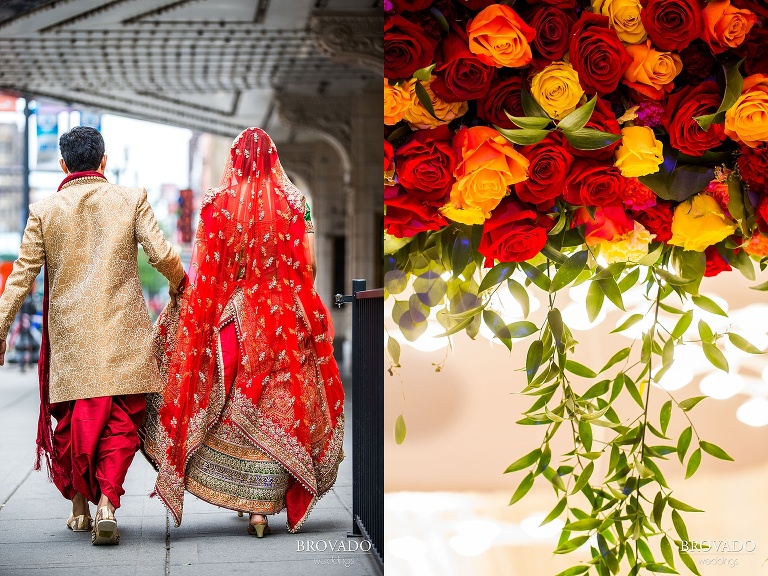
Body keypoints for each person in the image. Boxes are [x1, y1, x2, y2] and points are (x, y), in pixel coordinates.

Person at [143, 127, 345, 537]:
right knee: (278, 406)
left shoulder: (217, 204)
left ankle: (243, 498)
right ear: (274, 159)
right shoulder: (296, 204)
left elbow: (204, 268)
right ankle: (261, 510)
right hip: (284, 319)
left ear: (234, 161)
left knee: (232, 408)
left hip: (231, 320)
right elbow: (308, 268)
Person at [0, 126, 185, 545]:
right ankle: (106, 504)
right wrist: (179, 285)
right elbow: (163, 254)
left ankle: (80, 507)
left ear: (63, 165)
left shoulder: (43, 211)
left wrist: (0, 333)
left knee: (74, 424)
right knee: (120, 424)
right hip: (124, 339)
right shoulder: (130, 199)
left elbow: (19, 282)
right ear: (104, 161)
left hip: (71, 344)